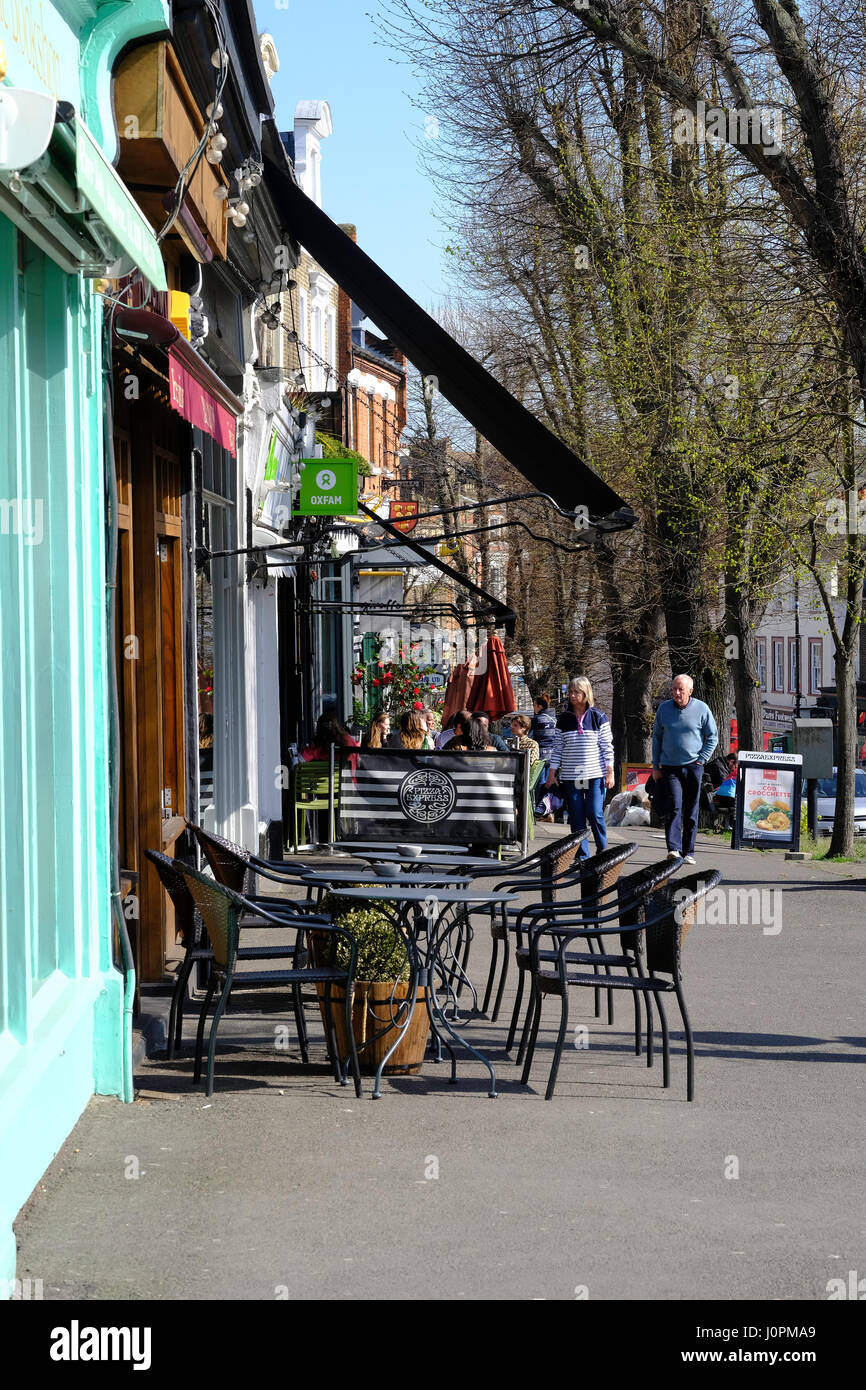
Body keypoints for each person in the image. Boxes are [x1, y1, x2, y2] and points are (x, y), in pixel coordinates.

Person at [651, 674, 719, 863]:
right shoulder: (664, 709)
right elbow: (656, 739)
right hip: (669, 767)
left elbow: (713, 736)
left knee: (691, 810)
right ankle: (674, 848)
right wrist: (655, 766)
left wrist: (702, 759)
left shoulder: (701, 709)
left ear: (690, 690)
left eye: (681, 689)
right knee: (674, 805)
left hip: (693, 766)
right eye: (674, 689)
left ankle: (688, 851)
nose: (677, 692)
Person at [545, 675, 615, 857]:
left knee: (594, 811)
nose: (573, 695)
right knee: (576, 815)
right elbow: (558, 748)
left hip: (594, 773)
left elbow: (607, 748)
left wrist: (610, 772)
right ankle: (582, 855)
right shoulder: (564, 719)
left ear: (586, 693)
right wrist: (552, 773)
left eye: (577, 692)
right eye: (571, 692)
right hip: (572, 774)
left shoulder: (598, 716)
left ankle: (602, 845)